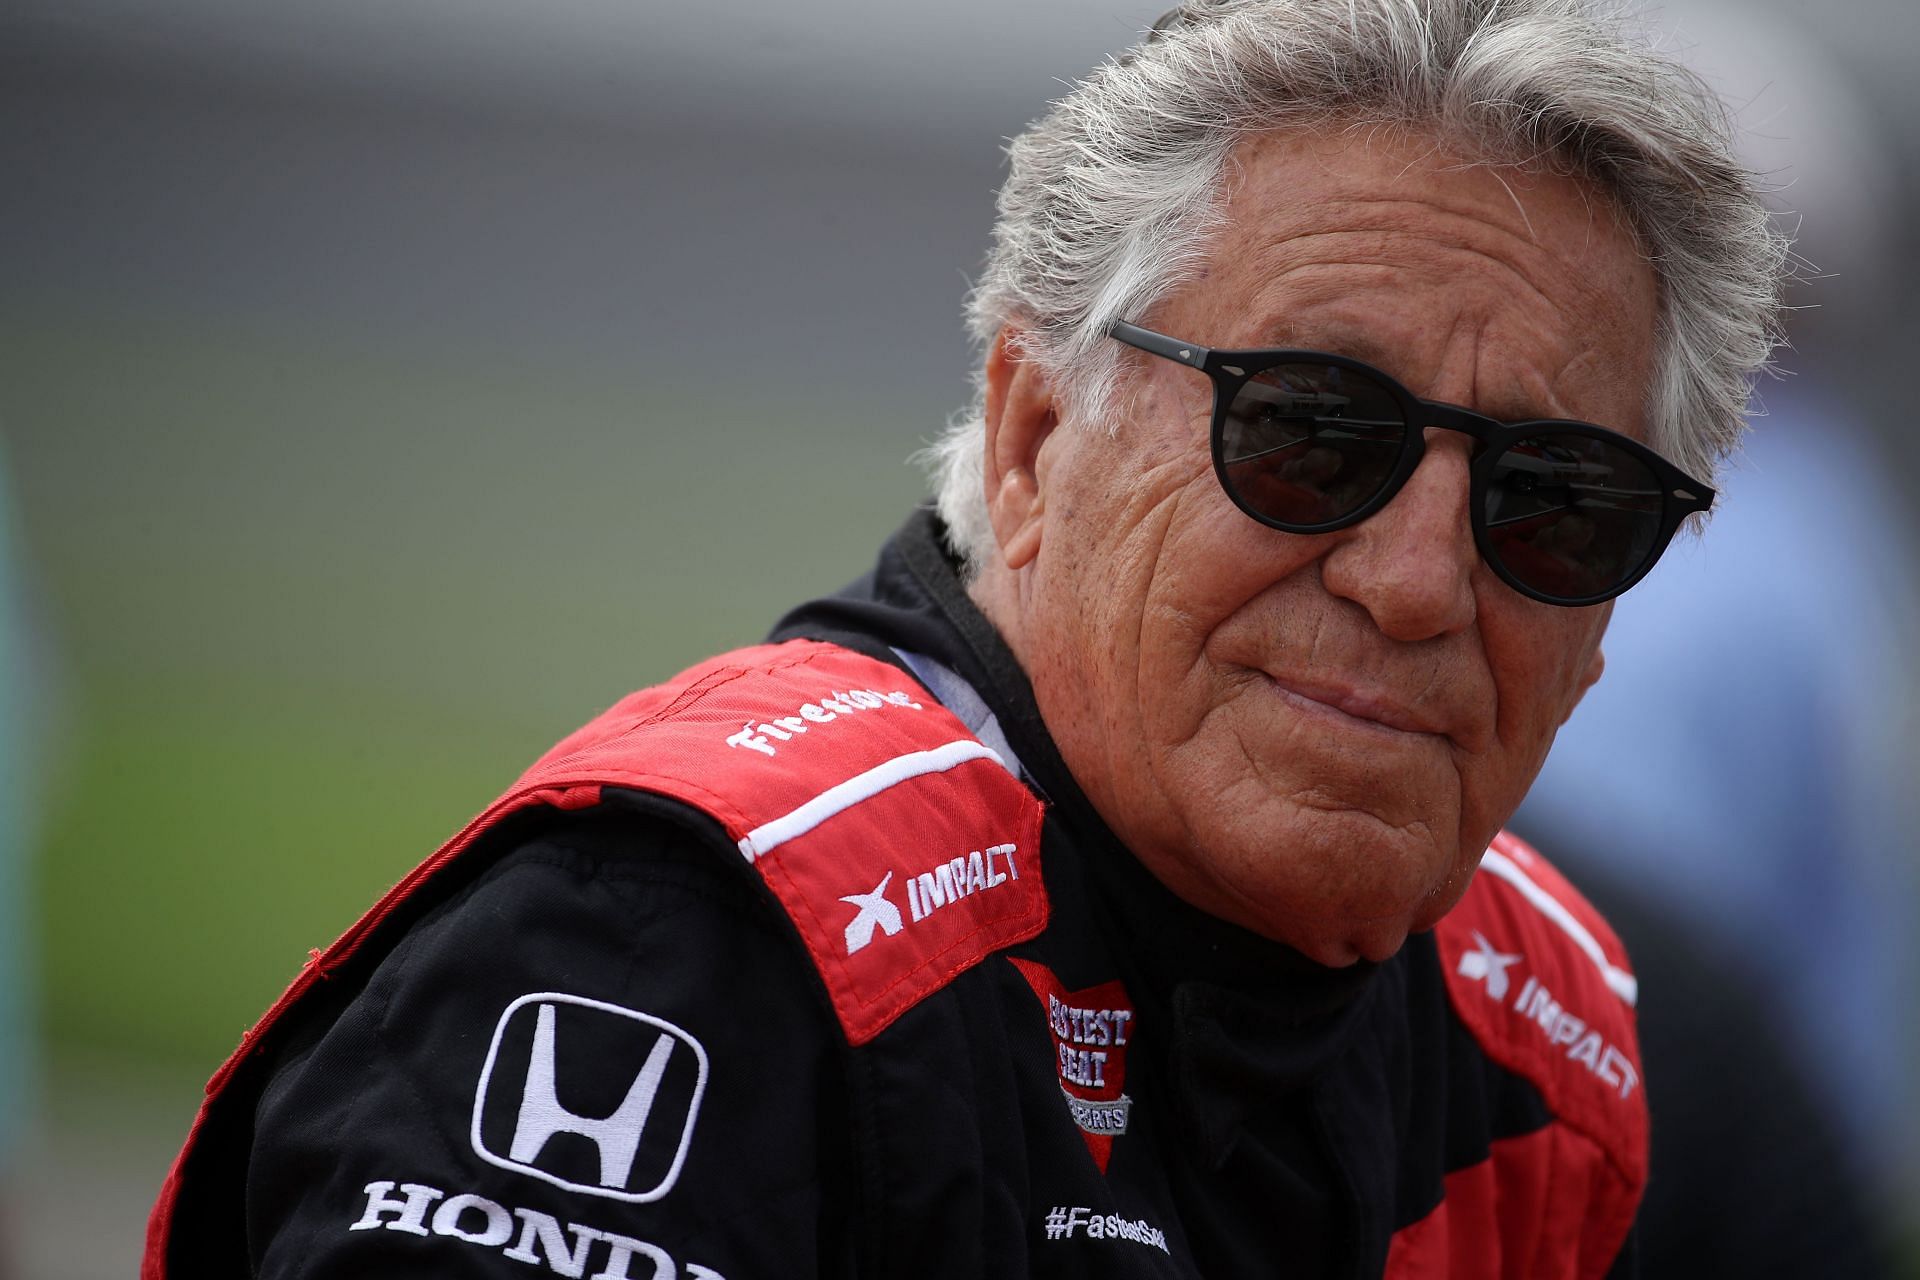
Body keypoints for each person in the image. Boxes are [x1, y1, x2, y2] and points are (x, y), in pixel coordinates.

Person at [143, 1, 1788, 1276]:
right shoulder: (696, 944)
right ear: (1031, 438)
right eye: (1311, 432)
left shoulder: (1556, 1041)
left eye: (1556, 501)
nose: (1422, 579)